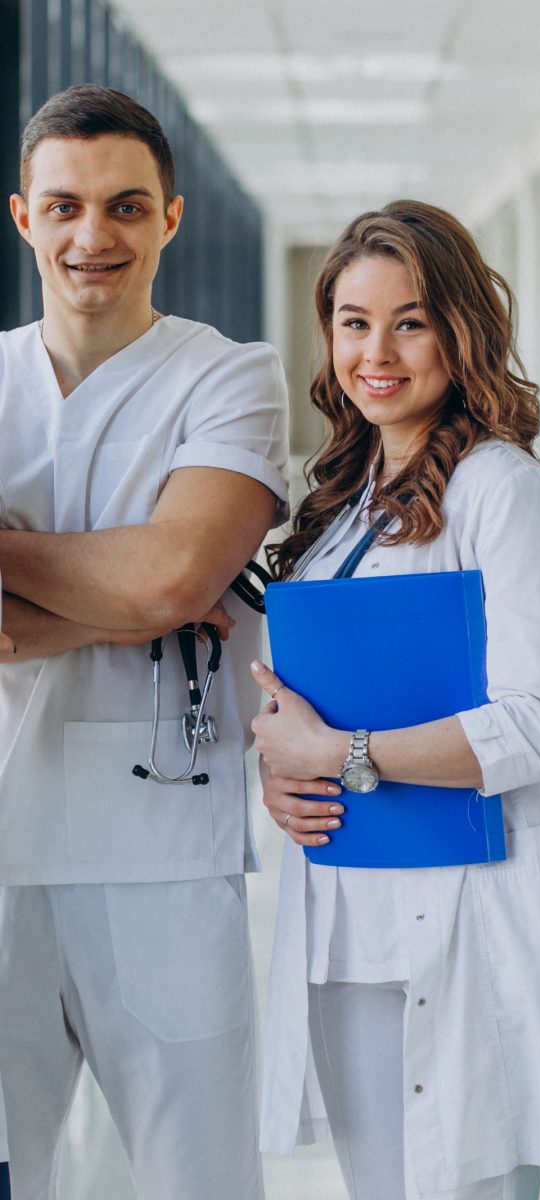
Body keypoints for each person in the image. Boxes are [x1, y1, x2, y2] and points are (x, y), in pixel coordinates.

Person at [251, 200, 540, 1200]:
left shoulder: (504, 491)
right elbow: (308, 710)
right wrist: (284, 770)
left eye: (409, 321)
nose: (378, 351)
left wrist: (341, 756)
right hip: (348, 924)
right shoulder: (338, 503)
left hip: (471, 919)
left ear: (462, 329)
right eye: (355, 321)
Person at [0, 84, 288, 1198]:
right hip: (3, 852)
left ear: (170, 218)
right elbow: (159, 585)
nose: (93, 237)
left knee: (196, 1180)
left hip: (162, 849)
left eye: (126, 207)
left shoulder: (227, 374)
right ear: (23, 217)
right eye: (64, 207)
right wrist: (127, 597)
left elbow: (175, 571)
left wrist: (161, 586)